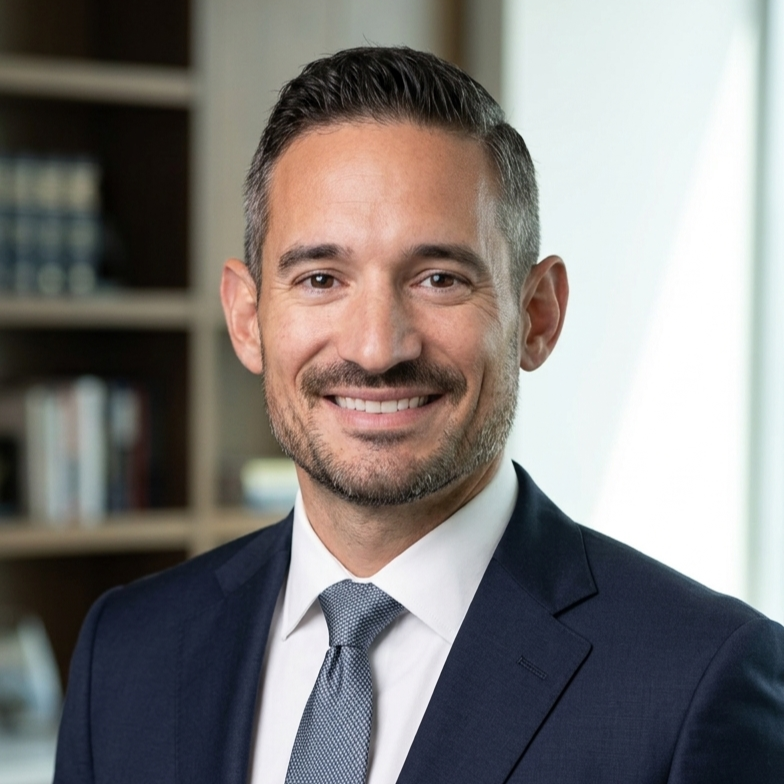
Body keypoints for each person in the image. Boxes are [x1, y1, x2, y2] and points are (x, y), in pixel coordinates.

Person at [54, 47, 784, 784]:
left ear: (537, 316)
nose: (376, 348)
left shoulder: (700, 682)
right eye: (320, 278)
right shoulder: (127, 651)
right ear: (247, 319)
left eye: (439, 278)